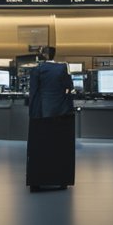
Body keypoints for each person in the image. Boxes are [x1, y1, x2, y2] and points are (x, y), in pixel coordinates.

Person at [26, 46, 75, 192]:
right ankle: (62, 180)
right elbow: (68, 88)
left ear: (43, 55)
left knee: (39, 149)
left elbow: (33, 92)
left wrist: (32, 113)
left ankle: (37, 181)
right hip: (61, 113)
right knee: (60, 149)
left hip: (41, 113)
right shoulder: (63, 68)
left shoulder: (37, 70)